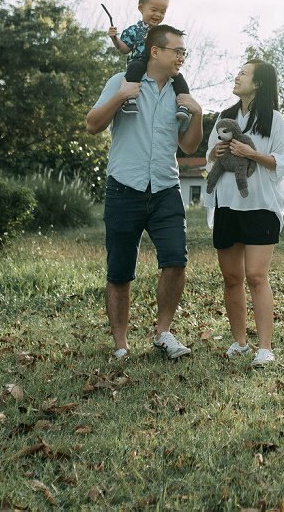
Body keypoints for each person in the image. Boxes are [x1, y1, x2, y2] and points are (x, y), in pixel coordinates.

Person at [85, 23, 203, 360]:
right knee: (120, 271)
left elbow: (188, 144)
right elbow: (92, 125)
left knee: (176, 261)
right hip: (125, 188)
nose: (182, 56)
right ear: (155, 51)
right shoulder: (121, 83)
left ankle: (163, 333)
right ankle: (121, 345)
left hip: (166, 188)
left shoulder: (180, 95)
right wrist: (121, 96)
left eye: (184, 51)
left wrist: (197, 114)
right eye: (176, 50)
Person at [206, 58, 284, 368]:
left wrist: (251, 153)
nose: (237, 76)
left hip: (261, 207)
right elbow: (209, 156)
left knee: (256, 276)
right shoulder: (224, 117)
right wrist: (214, 153)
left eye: (243, 73)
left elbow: (283, 164)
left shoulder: (274, 120)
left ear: (258, 83)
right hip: (227, 204)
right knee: (231, 278)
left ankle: (265, 347)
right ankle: (240, 342)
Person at [108, 0, 189, 115]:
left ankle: (184, 104)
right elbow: (125, 49)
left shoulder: (164, 33)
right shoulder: (134, 30)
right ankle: (129, 99)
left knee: (178, 77)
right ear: (141, 8)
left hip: (159, 65)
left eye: (162, 12)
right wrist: (115, 39)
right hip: (139, 60)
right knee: (135, 67)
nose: (158, 15)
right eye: (154, 10)